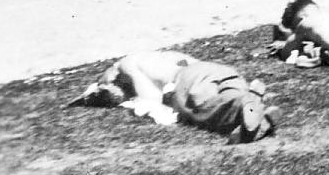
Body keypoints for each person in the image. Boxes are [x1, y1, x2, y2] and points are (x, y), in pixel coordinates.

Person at [74, 50, 277, 143]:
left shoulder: (128, 65)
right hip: (215, 70)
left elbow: (153, 99)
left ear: (109, 77)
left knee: (202, 108)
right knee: (231, 91)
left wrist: (134, 100)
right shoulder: (161, 55)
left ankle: (245, 103)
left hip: (184, 79)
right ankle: (256, 113)